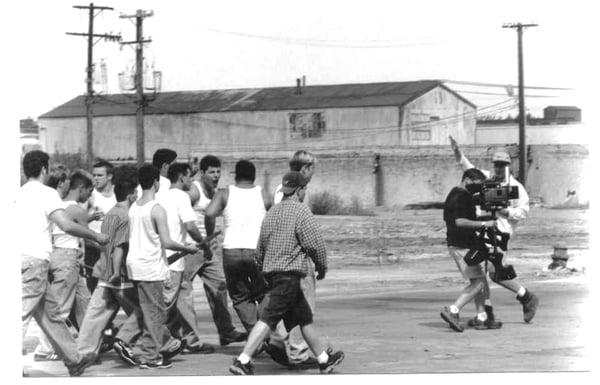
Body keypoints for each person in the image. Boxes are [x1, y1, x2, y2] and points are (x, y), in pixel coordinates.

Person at [229, 171, 344, 375]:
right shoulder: (301, 211)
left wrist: (266, 272)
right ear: (299, 190)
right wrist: (322, 266)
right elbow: (314, 245)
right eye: (304, 189)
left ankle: (324, 360)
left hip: (274, 276)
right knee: (268, 318)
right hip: (290, 277)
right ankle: (243, 360)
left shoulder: (272, 213)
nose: (305, 193)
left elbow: (260, 249)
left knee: (304, 318)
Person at [19, 150, 108, 376]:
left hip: (23, 259)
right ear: (43, 170)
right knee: (20, 314)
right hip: (36, 260)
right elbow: (66, 225)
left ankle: (74, 359)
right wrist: (95, 236)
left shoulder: (18, 194)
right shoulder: (48, 193)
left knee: (52, 315)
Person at [449, 136, 539, 323]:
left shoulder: (516, 189)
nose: (498, 168)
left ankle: (526, 296)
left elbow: (523, 212)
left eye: (502, 165)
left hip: (501, 233)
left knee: (494, 273)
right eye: (496, 164)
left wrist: (504, 211)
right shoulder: (487, 180)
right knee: (484, 275)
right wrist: (458, 153)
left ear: (509, 166)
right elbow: (469, 169)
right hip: (483, 231)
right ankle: (486, 314)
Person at [123, 164, 199, 369]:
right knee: (156, 314)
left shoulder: (134, 207)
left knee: (149, 311)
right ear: (156, 182)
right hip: (151, 266)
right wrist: (187, 248)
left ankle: (150, 354)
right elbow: (167, 242)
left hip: (135, 265)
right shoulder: (157, 209)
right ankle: (151, 356)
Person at [76, 165, 143, 364]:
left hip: (103, 270)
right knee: (146, 310)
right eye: (137, 192)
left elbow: (105, 242)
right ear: (132, 194)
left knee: (95, 315)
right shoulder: (126, 216)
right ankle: (157, 344)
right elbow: (120, 248)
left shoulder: (111, 213)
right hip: (119, 275)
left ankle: (83, 353)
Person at [179, 155, 247, 348]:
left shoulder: (216, 192)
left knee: (219, 286)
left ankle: (226, 332)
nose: (216, 175)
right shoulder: (194, 190)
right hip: (191, 247)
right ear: (202, 173)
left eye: (218, 171)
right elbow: (176, 208)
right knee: (183, 293)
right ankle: (187, 339)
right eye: (211, 172)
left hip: (210, 247)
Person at [33, 170, 95, 361]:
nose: (90, 195)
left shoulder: (58, 206)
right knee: (60, 307)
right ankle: (45, 347)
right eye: (89, 190)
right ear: (81, 188)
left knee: (85, 302)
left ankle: (89, 343)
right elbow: (86, 235)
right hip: (68, 257)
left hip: (59, 256)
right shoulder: (77, 209)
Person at [205, 160, 271, 334]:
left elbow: (210, 213)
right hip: (256, 250)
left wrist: (210, 234)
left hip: (232, 251)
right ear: (254, 176)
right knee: (265, 292)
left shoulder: (224, 193)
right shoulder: (263, 194)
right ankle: (264, 332)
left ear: (236, 175)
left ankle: (254, 333)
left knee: (240, 296)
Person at [267, 150, 319, 369]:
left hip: (281, 258)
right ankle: (296, 351)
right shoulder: (296, 193)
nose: (313, 175)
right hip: (296, 258)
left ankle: (280, 341)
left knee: (287, 304)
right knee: (304, 306)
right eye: (312, 170)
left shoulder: (283, 188)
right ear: (305, 168)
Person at [159, 162, 215, 354]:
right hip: (175, 256)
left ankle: (181, 340)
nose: (192, 180)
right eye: (189, 176)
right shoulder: (182, 196)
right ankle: (143, 341)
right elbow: (191, 226)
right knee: (168, 304)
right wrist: (205, 245)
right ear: (182, 177)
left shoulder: (160, 195)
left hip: (161, 257)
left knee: (173, 302)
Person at [440, 168, 503, 332]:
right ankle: (453, 310)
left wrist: (483, 219)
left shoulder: (455, 193)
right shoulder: (462, 196)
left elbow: (465, 218)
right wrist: (485, 224)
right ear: (467, 180)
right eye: (476, 185)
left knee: (478, 279)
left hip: (460, 243)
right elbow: (460, 221)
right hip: (461, 245)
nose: (478, 188)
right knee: (479, 282)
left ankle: (481, 316)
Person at [85, 160, 117, 293]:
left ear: (109, 176)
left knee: (112, 289)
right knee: (93, 289)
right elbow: (78, 220)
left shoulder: (118, 194)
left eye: (100, 175)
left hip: (113, 249)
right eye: (94, 175)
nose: (96, 179)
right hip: (93, 248)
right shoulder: (90, 195)